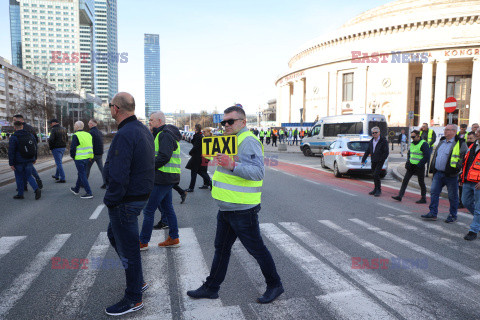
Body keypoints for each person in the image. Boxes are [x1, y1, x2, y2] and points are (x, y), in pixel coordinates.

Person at [187, 105, 283, 304]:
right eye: (224, 122)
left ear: (243, 122)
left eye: (231, 121)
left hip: (242, 209)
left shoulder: (248, 140)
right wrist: (216, 160)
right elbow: (225, 168)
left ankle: (275, 285)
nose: (226, 125)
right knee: (221, 249)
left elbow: (258, 172)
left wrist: (232, 164)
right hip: (227, 208)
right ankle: (211, 287)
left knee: (256, 250)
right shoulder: (230, 140)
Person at [103, 92, 155, 316]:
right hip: (138, 197)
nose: (110, 109)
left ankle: (134, 297)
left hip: (125, 201)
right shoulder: (142, 129)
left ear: (115, 108)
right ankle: (139, 281)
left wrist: (112, 199)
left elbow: (118, 172)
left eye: (110, 106)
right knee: (115, 236)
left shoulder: (125, 133)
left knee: (129, 250)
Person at [139, 111, 182, 250]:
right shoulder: (163, 134)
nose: (149, 122)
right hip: (167, 177)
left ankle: (143, 241)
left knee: (149, 210)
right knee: (167, 208)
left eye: (151, 120)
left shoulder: (164, 134)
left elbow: (164, 156)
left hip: (163, 178)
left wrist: (148, 167)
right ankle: (174, 238)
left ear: (159, 121)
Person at [421, 124, 467, 223]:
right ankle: (433, 213)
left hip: (451, 175)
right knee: (434, 193)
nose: (445, 131)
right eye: (445, 129)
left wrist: (457, 170)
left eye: (448, 130)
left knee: (452, 196)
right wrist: (433, 170)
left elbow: (464, 158)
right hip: (438, 173)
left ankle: (452, 215)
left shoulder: (460, 143)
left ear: (454, 131)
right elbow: (436, 156)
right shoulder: (442, 142)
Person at [392, 130, 430, 203]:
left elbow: (427, 156)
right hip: (411, 166)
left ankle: (423, 198)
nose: (412, 138)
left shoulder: (424, 144)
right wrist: (408, 162)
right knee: (405, 180)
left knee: (421, 182)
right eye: (411, 137)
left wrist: (420, 164)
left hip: (419, 167)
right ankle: (400, 196)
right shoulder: (412, 144)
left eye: (413, 136)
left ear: (418, 136)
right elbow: (409, 154)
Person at [9, 121, 41, 200]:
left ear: (15, 127)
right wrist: (34, 158)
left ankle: (20, 194)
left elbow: (11, 151)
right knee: (29, 175)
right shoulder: (30, 135)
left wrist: (11, 163)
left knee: (19, 177)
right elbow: (35, 147)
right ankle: (36, 189)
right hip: (29, 159)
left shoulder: (14, 137)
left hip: (18, 161)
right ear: (22, 126)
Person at [12, 114, 43, 189]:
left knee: (27, 170)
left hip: (23, 154)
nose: (13, 122)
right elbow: (35, 140)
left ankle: (25, 185)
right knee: (29, 169)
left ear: (19, 120)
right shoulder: (30, 127)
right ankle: (36, 180)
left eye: (14, 120)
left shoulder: (23, 129)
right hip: (29, 153)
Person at [462, 128, 480, 240]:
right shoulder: (472, 146)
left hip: (478, 184)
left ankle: (473, 230)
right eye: (477, 131)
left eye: (479, 132)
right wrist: (461, 177)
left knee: (478, 209)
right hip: (467, 180)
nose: (476, 133)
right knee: (466, 202)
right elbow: (466, 162)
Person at [361, 127, 389, 197]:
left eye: (376, 132)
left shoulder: (383, 141)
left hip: (380, 161)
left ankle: (378, 190)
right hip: (373, 160)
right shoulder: (371, 141)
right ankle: (375, 189)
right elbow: (368, 151)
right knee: (374, 175)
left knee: (376, 174)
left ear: (379, 133)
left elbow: (386, 152)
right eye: (373, 133)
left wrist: (382, 159)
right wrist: (363, 159)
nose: (374, 134)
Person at [69, 121, 94, 199]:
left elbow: (73, 148)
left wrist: (72, 156)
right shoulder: (88, 134)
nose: (74, 126)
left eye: (74, 125)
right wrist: (90, 156)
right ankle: (76, 189)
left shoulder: (76, 135)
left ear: (77, 126)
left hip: (79, 158)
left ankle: (89, 192)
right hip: (87, 158)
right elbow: (91, 146)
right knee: (81, 173)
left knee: (82, 174)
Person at [185, 124, 212, 192]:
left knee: (197, 171)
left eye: (204, 132)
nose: (203, 133)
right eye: (203, 131)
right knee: (201, 171)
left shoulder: (201, 137)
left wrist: (190, 152)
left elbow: (196, 146)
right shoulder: (201, 137)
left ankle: (192, 187)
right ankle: (207, 184)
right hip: (201, 157)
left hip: (199, 157)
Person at [86, 119, 106, 189]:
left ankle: (84, 183)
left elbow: (89, 145)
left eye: (89, 123)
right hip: (100, 153)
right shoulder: (99, 132)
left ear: (92, 124)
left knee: (87, 168)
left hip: (93, 154)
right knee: (102, 169)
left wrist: (89, 155)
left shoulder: (90, 133)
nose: (88, 124)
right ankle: (106, 183)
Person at [48, 118, 68, 183]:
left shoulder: (53, 130)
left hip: (56, 148)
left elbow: (51, 140)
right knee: (59, 162)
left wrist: (51, 148)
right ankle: (57, 175)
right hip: (63, 147)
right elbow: (67, 138)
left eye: (51, 123)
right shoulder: (64, 129)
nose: (50, 124)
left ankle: (62, 178)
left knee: (58, 163)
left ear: (54, 123)